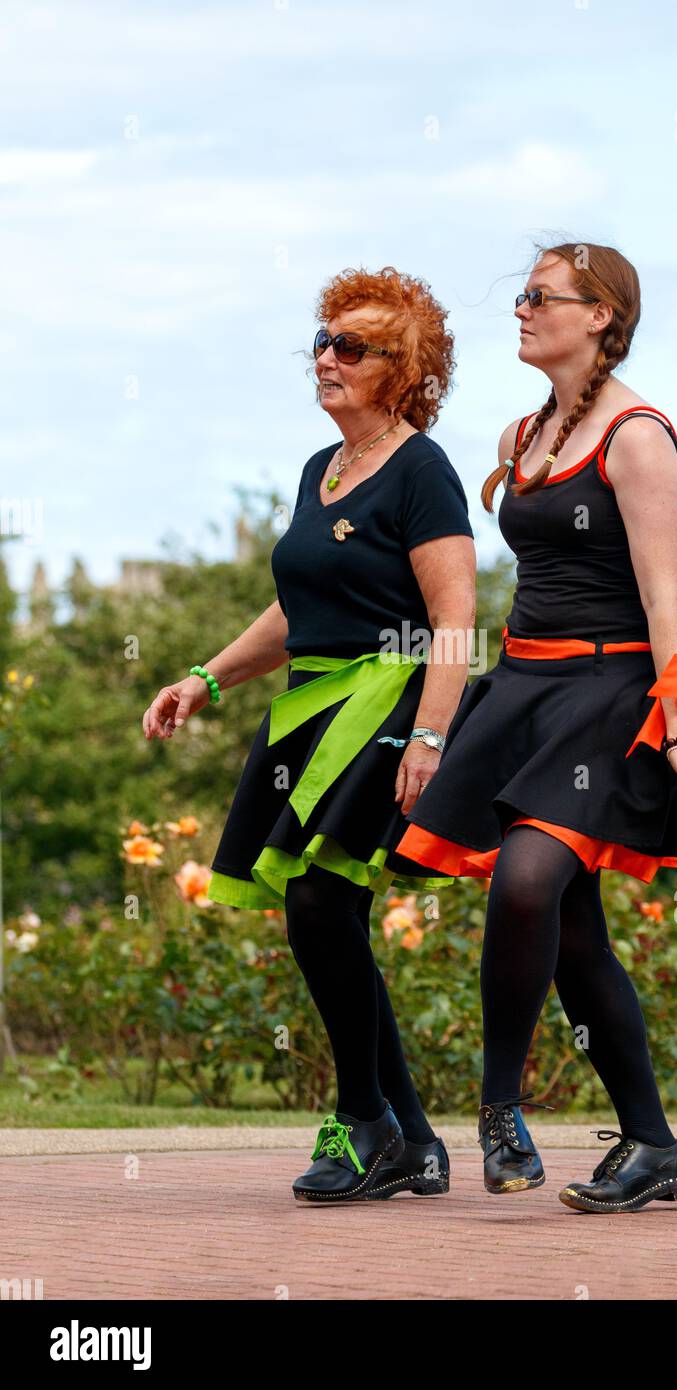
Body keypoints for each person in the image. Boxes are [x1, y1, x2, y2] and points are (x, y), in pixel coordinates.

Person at [396, 240, 677, 1213]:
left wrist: (676, 725)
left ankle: (497, 1105)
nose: (522, 309)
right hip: (525, 689)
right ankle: (653, 1146)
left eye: (542, 297)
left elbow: (665, 597)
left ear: (600, 318)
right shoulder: (517, 436)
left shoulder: (636, 437)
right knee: (573, 933)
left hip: (608, 693)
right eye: (522, 295)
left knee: (532, 878)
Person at [143, 265, 476, 1203]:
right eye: (322, 343)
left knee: (323, 904)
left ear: (401, 369)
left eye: (352, 348)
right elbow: (298, 609)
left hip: (390, 706)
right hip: (309, 709)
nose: (326, 360)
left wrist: (431, 739)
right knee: (327, 914)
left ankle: (368, 1121)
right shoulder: (317, 470)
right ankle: (406, 1136)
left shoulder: (422, 470)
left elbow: (455, 617)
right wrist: (205, 677)